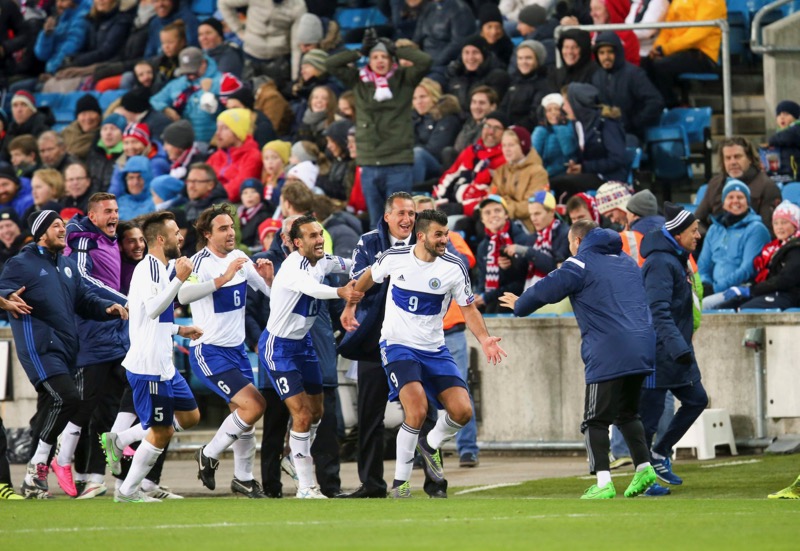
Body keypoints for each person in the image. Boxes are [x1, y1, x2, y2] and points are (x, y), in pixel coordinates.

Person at [343, 209, 505, 497]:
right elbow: (369, 276)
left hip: (434, 348)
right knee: (416, 410)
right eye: (439, 235)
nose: (444, 240)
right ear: (421, 236)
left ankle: (430, 443)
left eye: (446, 234)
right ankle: (400, 484)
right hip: (397, 344)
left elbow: (468, 309)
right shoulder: (395, 257)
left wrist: (485, 339)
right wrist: (352, 303)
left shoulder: (453, 267)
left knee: (462, 410)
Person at [499, 220, 658, 499]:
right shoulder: (627, 261)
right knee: (627, 413)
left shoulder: (579, 263)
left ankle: (603, 483)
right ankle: (644, 466)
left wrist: (520, 304)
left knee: (594, 421)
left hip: (609, 350)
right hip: (642, 346)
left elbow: (545, 289)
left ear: (576, 242)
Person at [0, 210, 128, 498]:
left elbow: (84, 300)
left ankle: (34, 482)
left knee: (49, 411)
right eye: (56, 226)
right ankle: (37, 465)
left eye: (64, 225)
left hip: (67, 349)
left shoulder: (67, 265)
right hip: (40, 347)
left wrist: (106, 308)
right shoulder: (21, 263)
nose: (63, 230)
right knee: (69, 398)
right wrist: (7, 299)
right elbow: (3, 290)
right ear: (40, 232)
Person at [337, 193, 450, 497]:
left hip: (415, 341)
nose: (407, 220)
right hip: (375, 338)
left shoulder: (426, 240)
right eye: (400, 213)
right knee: (369, 415)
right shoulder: (370, 242)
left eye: (411, 214)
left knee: (424, 413)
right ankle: (372, 484)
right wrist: (394, 271)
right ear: (386, 216)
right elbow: (358, 278)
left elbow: (447, 269)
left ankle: (435, 483)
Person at [258, 215, 361, 498]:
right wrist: (340, 290)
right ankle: (306, 486)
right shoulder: (292, 267)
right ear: (296, 243)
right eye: (312, 236)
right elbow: (313, 288)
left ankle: (295, 457)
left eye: (320, 234)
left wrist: (377, 266)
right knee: (301, 414)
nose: (319, 240)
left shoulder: (323, 260)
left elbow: (350, 264)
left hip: (303, 345)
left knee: (317, 413)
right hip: (279, 348)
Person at [176, 204, 274, 497]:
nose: (231, 233)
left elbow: (269, 292)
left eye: (232, 227)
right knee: (254, 406)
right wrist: (223, 278)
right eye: (223, 228)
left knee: (245, 415)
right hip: (209, 351)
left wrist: (269, 280)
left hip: (237, 350)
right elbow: (183, 294)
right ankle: (208, 453)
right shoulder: (198, 262)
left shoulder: (241, 258)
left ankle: (243, 478)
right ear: (207, 234)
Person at [106, 211, 201, 502]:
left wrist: (179, 328)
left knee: (190, 416)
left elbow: (153, 318)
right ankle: (127, 491)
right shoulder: (148, 269)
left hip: (164, 365)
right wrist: (179, 280)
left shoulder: (162, 267)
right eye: (175, 233)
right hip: (148, 366)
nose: (180, 237)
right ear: (161, 239)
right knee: (161, 433)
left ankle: (120, 439)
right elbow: (151, 309)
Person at [58, 192, 131, 499]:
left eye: (115, 210)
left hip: (113, 333)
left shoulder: (112, 240)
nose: (114, 216)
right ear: (93, 215)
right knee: (87, 404)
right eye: (107, 211)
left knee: (112, 404)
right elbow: (85, 278)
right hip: (90, 335)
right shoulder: (85, 241)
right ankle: (59, 458)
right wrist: (128, 301)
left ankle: (94, 476)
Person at [326, 29, 432, 229]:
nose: (380, 60)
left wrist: (398, 50)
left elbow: (425, 61)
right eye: (375, 56)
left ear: (391, 59)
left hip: (398, 161)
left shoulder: (404, 79)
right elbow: (330, 64)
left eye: (384, 56)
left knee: (401, 222)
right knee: (378, 223)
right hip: (370, 162)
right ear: (369, 60)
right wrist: (359, 51)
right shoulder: (359, 81)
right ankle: (382, 259)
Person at [639, 203, 709, 486]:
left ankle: (659, 453)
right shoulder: (660, 262)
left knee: (697, 400)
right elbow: (658, 311)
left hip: (676, 350)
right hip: (659, 352)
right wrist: (678, 347)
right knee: (648, 422)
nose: (698, 235)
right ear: (678, 234)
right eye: (693, 230)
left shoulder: (676, 258)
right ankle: (643, 477)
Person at [705, 200, 800, 311]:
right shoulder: (774, 248)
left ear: (795, 225)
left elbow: (785, 280)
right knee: (723, 306)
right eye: (776, 223)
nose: (779, 227)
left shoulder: (796, 248)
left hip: (790, 295)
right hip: (771, 292)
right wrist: (748, 288)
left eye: (784, 222)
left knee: (745, 309)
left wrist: (752, 290)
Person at [641, 0, 727, 108]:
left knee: (661, 66)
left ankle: (672, 106)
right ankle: (651, 106)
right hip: (677, 50)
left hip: (702, 54)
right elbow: (667, 29)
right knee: (645, 63)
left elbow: (696, 34)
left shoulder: (713, 1)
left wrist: (666, 49)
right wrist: (657, 48)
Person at [549, 83, 628, 199]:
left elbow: (617, 159)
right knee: (553, 181)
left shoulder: (606, 124)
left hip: (608, 178)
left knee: (560, 183)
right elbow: (584, 155)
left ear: (576, 104)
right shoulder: (578, 124)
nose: (563, 108)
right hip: (590, 174)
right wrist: (575, 164)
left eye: (566, 103)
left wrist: (585, 167)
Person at [698, 180, 771, 298]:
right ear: (723, 203)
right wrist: (705, 284)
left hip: (742, 289)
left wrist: (715, 289)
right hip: (712, 290)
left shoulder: (756, 229)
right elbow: (703, 265)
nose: (735, 201)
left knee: (704, 306)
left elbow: (748, 269)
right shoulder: (714, 229)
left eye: (740, 197)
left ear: (748, 203)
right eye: (730, 197)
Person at [694, 137, 782, 234]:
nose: (733, 162)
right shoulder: (715, 183)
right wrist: (712, 239)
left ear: (750, 159)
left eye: (737, 157)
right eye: (728, 158)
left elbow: (769, 230)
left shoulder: (767, 186)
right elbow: (696, 221)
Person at [590, 32, 664, 142]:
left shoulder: (634, 74)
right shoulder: (597, 77)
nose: (606, 57)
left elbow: (656, 101)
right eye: (601, 53)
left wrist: (634, 123)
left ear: (618, 52)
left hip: (633, 134)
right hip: (607, 134)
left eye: (610, 52)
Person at [435, 111, 508, 217]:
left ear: (505, 132)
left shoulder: (505, 159)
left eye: (497, 128)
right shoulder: (471, 151)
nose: (491, 132)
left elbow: (495, 197)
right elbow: (449, 176)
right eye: (487, 126)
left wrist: (461, 208)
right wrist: (439, 199)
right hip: (453, 203)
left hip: (476, 213)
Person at [149, 46, 222, 144]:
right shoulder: (179, 83)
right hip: (185, 141)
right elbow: (155, 100)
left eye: (193, 71)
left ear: (203, 64)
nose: (190, 76)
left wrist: (208, 93)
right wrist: (166, 109)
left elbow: (220, 112)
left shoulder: (220, 81)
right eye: (187, 72)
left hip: (211, 140)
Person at [474, 195, 530, 313]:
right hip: (492, 297)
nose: (493, 215)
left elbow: (521, 281)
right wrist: (478, 296)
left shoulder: (520, 239)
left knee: (498, 307)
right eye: (487, 213)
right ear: (482, 220)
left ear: (506, 215)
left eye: (497, 210)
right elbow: (482, 279)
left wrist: (507, 268)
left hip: (518, 295)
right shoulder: (483, 246)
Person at [491, 126, 549, 231]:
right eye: (504, 145)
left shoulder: (538, 173)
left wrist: (504, 207)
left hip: (526, 225)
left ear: (523, 146)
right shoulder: (500, 171)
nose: (506, 149)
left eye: (511, 145)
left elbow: (532, 205)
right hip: (500, 219)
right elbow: (492, 198)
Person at [509, 191, 570, 290]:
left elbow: (556, 270)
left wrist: (528, 252)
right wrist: (509, 261)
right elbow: (521, 274)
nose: (533, 218)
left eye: (537, 213)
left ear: (551, 212)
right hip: (531, 293)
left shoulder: (565, 234)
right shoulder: (533, 237)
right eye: (531, 214)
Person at [207, 108, 264, 203]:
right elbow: (201, 180)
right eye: (218, 128)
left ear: (238, 131)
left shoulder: (253, 156)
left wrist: (210, 193)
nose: (217, 133)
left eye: (224, 128)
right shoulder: (217, 155)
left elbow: (236, 190)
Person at [445, 35, 511, 113]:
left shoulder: (497, 77)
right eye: (466, 52)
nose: (470, 57)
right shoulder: (456, 74)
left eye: (475, 52)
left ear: (484, 55)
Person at [500, 40, 553, 131]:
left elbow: (534, 115)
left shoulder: (545, 83)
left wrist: (513, 129)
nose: (523, 62)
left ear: (538, 60)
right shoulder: (513, 80)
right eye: (520, 58)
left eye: (528, 58)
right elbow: (503, 107)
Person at [533, 93, 579, 179]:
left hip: (567, 174)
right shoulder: (540, 131)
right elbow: (534, 157)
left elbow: (569, 150)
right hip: (545, 175)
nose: (553, 113)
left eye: (556, 109)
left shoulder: (570, 127)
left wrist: (558, 127)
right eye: (549, 110)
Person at [61, 95, 103, 161]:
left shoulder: (104, 136)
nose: (88, 118)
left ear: (99, 115)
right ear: (77, 117)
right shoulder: (67, 132)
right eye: (83, 114)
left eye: (91, 113)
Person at [766, 100, 800, 181]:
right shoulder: (779, 134)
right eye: (779, 115)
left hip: (795, 176)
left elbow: (787, 137)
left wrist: (771, 140)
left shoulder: (796, 129)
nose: (782, 117)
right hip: (781, 176)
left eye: (786, 114)